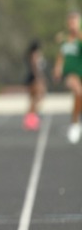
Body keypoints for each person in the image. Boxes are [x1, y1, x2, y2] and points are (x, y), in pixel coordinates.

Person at [53, 11, 82, 144]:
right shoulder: (64, 40)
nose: (72, 24)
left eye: (75, 22)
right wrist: (57, 68)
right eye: (70, 22)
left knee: (78, 97)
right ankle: (75, 124)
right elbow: (61, 56)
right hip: (71, 73)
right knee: (78, 91)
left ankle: (76, 121)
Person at [23, 40, 47, 131]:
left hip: (33, 78)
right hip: (34, 79)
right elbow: (35, 68)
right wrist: (39, 79)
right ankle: (31, 121)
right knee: (35, 100)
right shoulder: (35, 55)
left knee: (34, 100)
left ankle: (31, 120)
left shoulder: (32, 55)